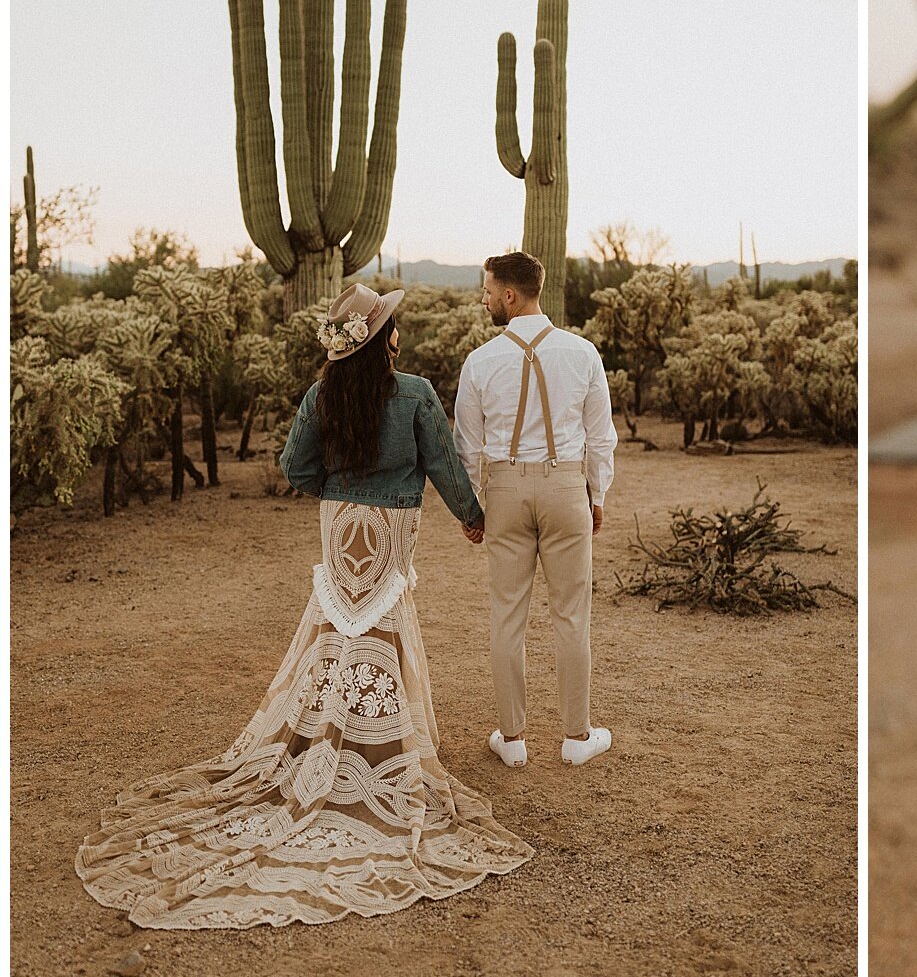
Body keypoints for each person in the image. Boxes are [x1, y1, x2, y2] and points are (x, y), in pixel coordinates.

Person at [76, 283, 531, 929]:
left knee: (334, 634)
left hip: (338, 521)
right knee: (386, 628)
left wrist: (337, 490)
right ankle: (380, 753)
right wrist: (474, 517)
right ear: (385, 339)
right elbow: (444, 468)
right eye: (392, 326)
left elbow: (294, 466)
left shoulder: (322, 396)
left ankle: (327, 740)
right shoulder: (416, 394)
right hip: (393, 527)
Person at [455, 251, 617, 769]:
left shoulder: (481, 361)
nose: (482, 300)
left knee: (507, 616)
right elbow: (600, 437)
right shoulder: (583, 352)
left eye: (487, 291)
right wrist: (596, 494)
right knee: (572, 615)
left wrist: (472, 508)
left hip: (504, 489)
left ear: (510, 295)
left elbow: (466, 445)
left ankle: (513, 739)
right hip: (566, 485)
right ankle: (576, 737)